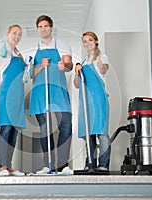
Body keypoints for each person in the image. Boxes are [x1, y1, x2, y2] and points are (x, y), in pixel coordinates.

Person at [29, 15, 73, 174]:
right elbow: (29, 75)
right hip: (40, 94)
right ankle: (47, 165)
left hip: (59, 91)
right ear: (37, 29)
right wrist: (40, 65)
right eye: (40, 26)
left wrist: (64, 65)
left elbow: (69, 64)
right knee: (44, 130)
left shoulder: (62, 44)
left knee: (66, 126)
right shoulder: (33, 50)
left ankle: (62, 165)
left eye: (46, 26)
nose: (43, 29)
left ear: (51, 27)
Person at [74, 31, 111, 171]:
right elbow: (77, 84)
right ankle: (90, 163)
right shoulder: (83, 61)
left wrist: (102, 65)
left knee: (102, 133)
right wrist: (76, 72)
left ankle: (103, 164)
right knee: (89, 135)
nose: (88, 43)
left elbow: (103, 69)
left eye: (90, 40)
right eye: (85, 41)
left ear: (96, 41)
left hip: (98, 100)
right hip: (85, 102)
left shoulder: (101, 57)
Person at [0, 24, 26, 176]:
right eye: (14, 33)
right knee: (6, 129)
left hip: (18, 95)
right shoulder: (4, 47)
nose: (17, 36)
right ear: (8, 34)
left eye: (19, 34)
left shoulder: (18, 54)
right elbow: (1, 53)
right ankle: (2, 166)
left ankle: (9, 166)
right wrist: (2, 48)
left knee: (14, 131)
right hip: (7, 94)